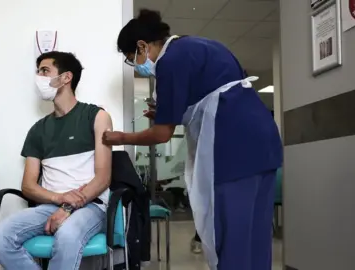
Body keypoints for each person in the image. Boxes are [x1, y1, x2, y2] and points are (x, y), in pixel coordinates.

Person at [102, 9, 283, 270]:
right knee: (254, 235)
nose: (138, 66)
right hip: (262, 145)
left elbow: (162, 134)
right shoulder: (197, 45)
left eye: (133, 59)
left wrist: (120, 137)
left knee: (230, 236)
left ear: (142, 46)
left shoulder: (170, 61)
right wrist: (171, 113)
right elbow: (212, 96)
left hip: (233, 150)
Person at [0, 51, 113, 270]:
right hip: (50, 205)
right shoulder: (37, 130)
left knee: (67, 235)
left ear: (66, 77)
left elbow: (103, 178)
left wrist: (68, 208)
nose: (39, 78)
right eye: (38, 72)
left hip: (91, 206)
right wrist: (60, 199)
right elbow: (28, 186)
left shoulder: (97, 116)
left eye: (45, 71)